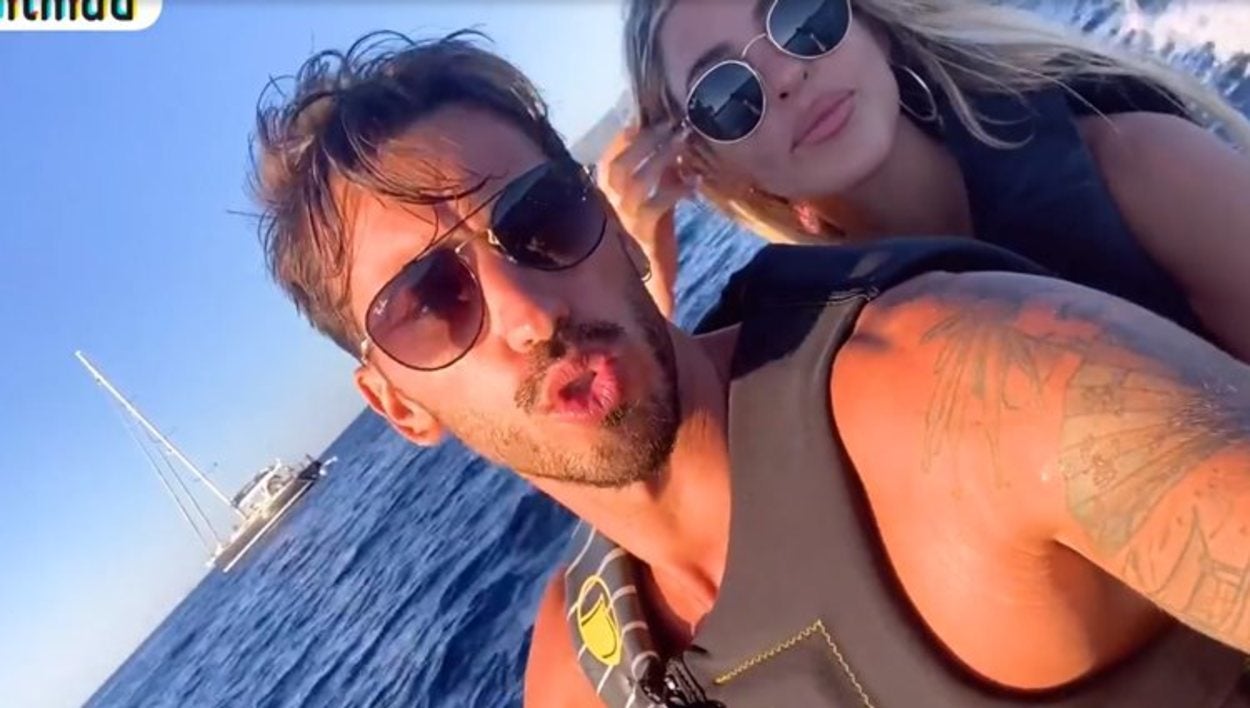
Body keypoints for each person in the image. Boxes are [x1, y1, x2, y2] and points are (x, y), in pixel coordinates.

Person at [251, 31, 1250, 707]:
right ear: (396, 406)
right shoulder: (580, 670)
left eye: (540, 217)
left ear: (617, 228)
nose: (528, 310)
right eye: (430, 301)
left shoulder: (971, 383)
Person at [604, 0, 1250, 361]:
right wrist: (643, 287)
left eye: (801, 15)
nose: (785, 75)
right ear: (715, 168)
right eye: (726, 94)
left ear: (872, 27)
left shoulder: (1136, 164)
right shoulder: (834, 355)